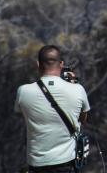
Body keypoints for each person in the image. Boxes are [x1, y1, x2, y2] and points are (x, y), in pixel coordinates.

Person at [15, 45, 90, 173]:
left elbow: (20, 114)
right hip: (66, 163)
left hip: (36, 164)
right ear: (61, 64)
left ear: (38, 64)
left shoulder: (23, 91)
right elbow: (83, 120)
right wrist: (72, 85)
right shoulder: (78, 89)